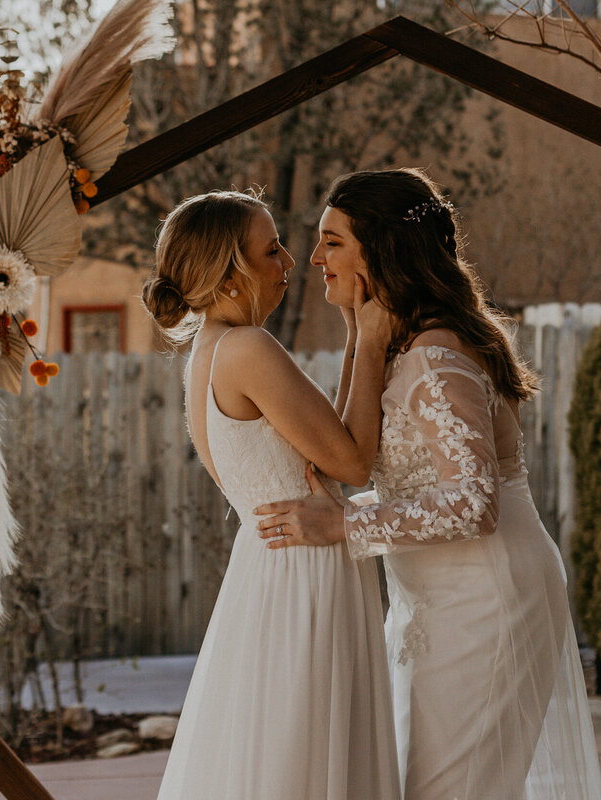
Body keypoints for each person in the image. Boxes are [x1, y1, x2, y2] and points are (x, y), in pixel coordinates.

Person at [254, 169, 601, 800]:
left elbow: (474, 505)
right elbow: (348, 455)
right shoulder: (396, 344)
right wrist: (363, 340)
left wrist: (345, 524)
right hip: (439, 601)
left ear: (380, 250)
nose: (313, 258)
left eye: (332, 241)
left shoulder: (435, 356)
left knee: (452, 789)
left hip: (487, 598)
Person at [143, 189, 401, 800]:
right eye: (272, 248)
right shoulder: (248, 350)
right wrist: (374, 341)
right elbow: (355, 461)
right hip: (303, 572)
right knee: (308, 755)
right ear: (232, 273)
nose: (291, 261)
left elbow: (330, 445)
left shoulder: (211, 354)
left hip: (271, 565)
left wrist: (355, 338)